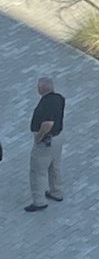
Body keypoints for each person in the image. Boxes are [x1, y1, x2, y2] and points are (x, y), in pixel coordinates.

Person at [25, 76, 65, 213]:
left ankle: (39, 201)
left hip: (46, 141)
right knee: (55, 167)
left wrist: (39, 137)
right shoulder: (59, 98)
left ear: (41, 89)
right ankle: (56, 192)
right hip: (58, 138)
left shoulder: (45, 105)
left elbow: (48, 123)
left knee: (37, 172)